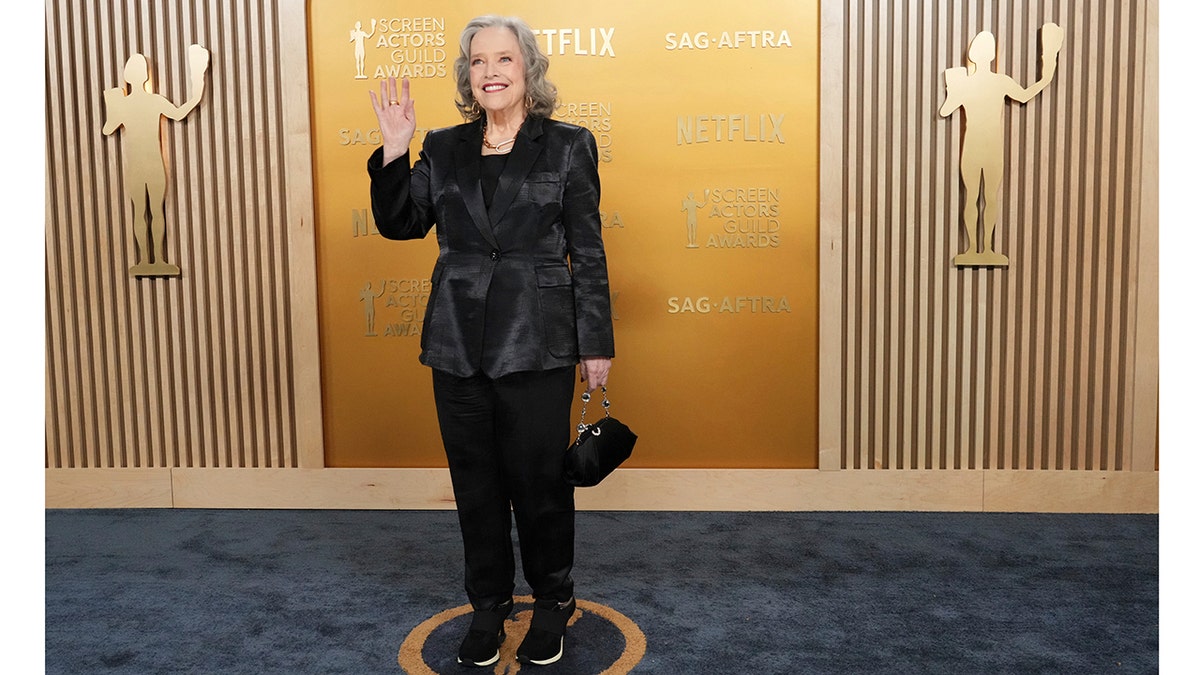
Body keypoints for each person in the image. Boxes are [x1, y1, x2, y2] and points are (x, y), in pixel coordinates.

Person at [366, 14, 615, 668]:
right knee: (474, 482)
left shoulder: (568, 145)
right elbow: (400, 223)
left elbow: (587, 251)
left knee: (538, 483)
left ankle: (553, 600)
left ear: (528, 70)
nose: (491, 72)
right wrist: (396, 148)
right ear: (467, 75)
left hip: (539, 342)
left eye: (504, 59)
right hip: (457, 343)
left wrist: (597, 341)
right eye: (478, 62)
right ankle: (488, 603)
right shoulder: (443, 147)